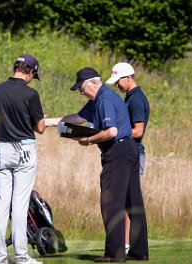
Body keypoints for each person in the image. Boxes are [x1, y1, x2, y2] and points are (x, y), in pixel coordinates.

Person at [55, 67, 149, 262]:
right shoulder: (97, 100)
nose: (81, 92)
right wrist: (49, 123)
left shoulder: (104, 99)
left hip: (118, 152)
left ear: (93, 83)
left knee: (111, 201)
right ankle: (139, 252)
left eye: (81, 88)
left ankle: (114, 253)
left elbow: (111, 131)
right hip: (129, 150)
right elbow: (77, 118)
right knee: (133, 202)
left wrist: (88, 140)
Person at [0, 54, 46, 264]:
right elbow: (40, 128)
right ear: (30, 72)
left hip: (1, 149)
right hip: (24, 150)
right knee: (19, 205)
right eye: (33, 75)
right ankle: (21, 256)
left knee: (2, 205)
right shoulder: (31, 94)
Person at [106, 62, 150, 256]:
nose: (117, 85)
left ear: (128, 78)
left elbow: (138, 131)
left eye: (118, 81)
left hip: (133, 152)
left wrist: (114, 133)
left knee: (128, 201)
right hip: (130, 152)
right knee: (127, 201)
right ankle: (129, 245)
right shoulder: (130, 97)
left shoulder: (136, 99)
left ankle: (126, 244)